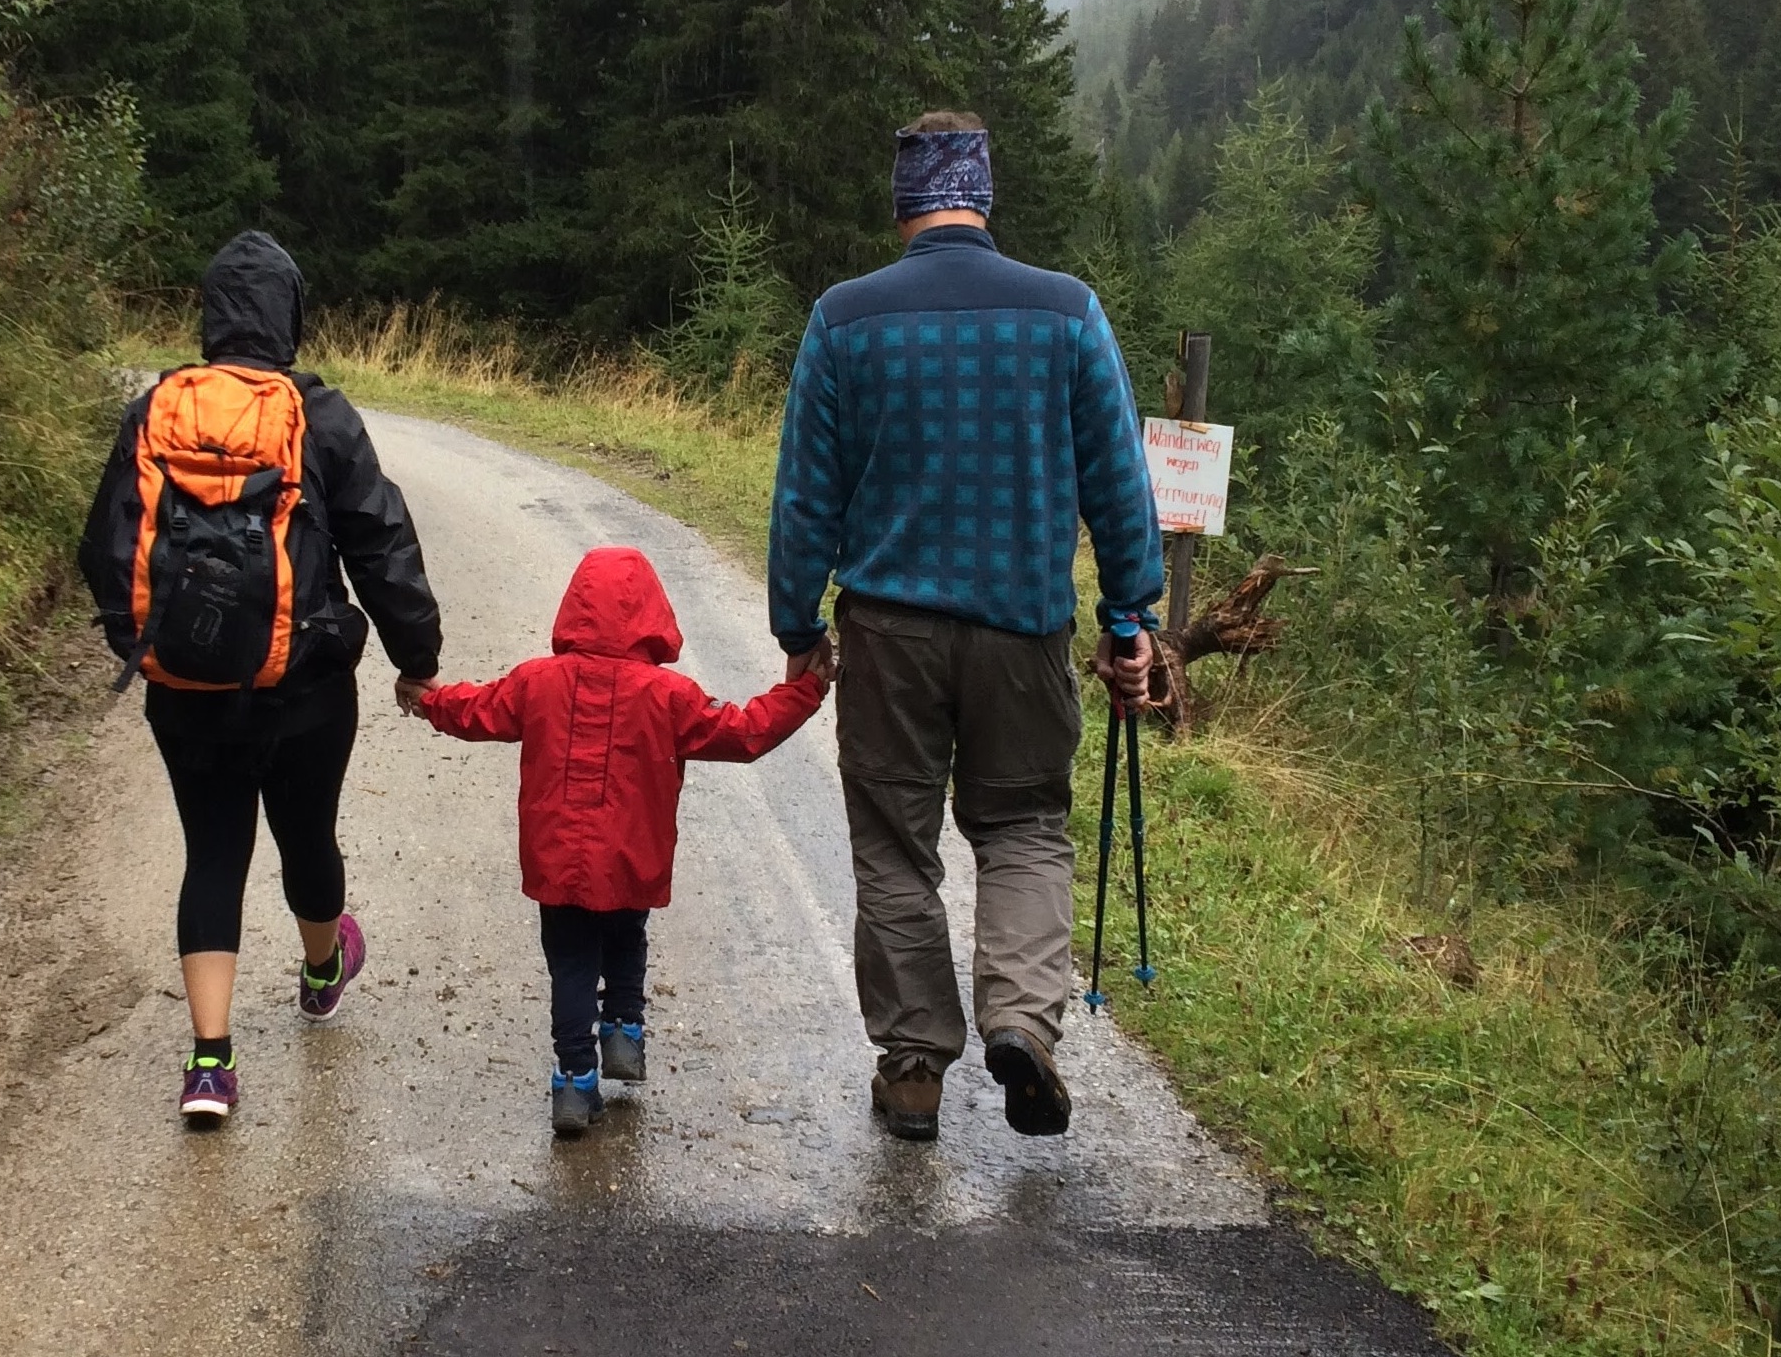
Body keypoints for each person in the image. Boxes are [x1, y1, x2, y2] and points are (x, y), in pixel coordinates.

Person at [767, 112, 1164, 1145]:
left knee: (896, 847)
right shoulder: (1067, 313)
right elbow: (1119, 486)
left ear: (901, 202)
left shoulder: (843, 321)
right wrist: (1132, 617)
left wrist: (795, 620)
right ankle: (1021, 1025)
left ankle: (911, 1071)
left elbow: (805, 497)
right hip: (1024, 628)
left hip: (890, 634)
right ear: (981, 194)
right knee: (1025, 825)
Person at [80, 231, 443, 1128]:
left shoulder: (154, 410)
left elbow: (104, 548)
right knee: (306, 835)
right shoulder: (318, 415)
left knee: (212, 854)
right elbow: (380, 543)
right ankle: (323, 971)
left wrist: (148, 644)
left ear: (209, 316)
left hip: (184, 690)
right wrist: (416, 659)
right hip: (305, 687)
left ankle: (209, 1063)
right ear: (290, 316)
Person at [416, 546, 825, 1138]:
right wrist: (805, 691)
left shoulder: (537, 682)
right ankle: (624, 1029)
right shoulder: (670, 695)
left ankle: (575, 1079)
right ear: (652, 614)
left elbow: (477, 709)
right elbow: (744, 731)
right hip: (633, 856)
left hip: (557, 859)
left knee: (571, 961)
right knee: (627, 936)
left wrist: (428, 697)